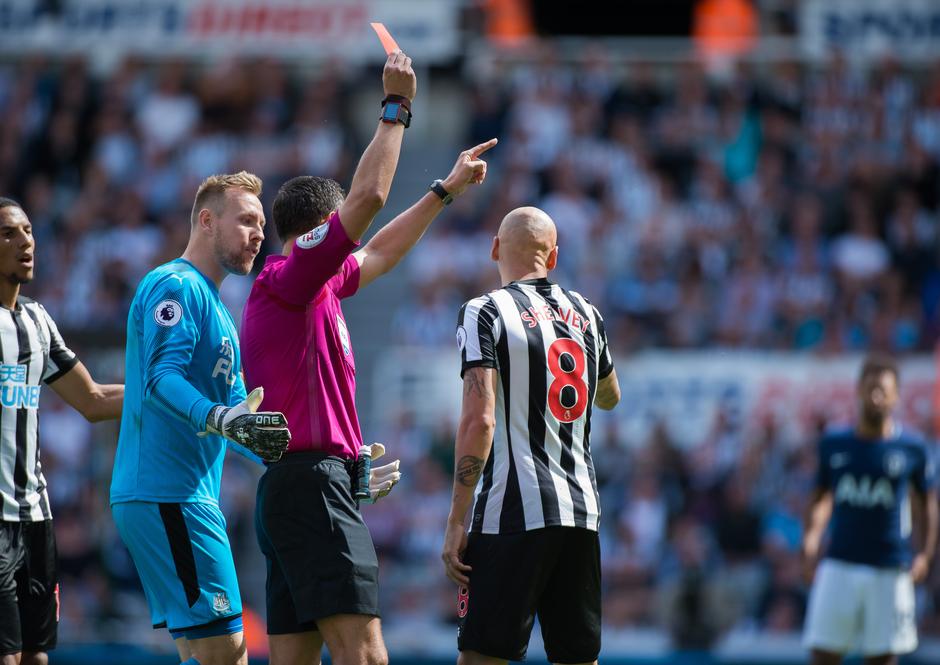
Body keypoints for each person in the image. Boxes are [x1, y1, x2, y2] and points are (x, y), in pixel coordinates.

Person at [240, 51, 495, 665]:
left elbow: (380, 253)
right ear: (320, 231)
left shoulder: (310, 289)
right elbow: (372, 196)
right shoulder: (289, 277)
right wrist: (396, 108)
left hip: (294, 487)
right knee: (365, 654)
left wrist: (443, 191)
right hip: (312, 484)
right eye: (337, 229)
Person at [109, 171, 291, 665]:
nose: (259, 233)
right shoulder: (175, 284)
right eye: (247, 220)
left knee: (205, 655)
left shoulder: (217, 308)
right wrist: (217, 416)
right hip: (169, 494)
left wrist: (337, 465)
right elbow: (160, 377)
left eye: (261, 223)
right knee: (228, 654)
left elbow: (243, 424)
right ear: (207, 221)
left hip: (180, 496)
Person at [442, 206, 621, 665]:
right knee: (577, 658)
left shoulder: (483, 311)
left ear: (495, 248)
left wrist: (456, 520)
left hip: (513, 510)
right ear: (554, 257)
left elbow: (479, 421)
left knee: (483, 655)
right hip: (580, 512)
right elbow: (610, 395)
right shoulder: (588, 313)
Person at [0, 198, 124, 665]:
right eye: (8, 233)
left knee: (36, 656)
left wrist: (178, 400)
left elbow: (92, 401)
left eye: (28, 231)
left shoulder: (37, 320)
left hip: (35, 518)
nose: (24, 242)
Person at [802, 355, 938, 665]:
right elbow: (821, 497)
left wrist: (924, 554)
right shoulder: (835, 444)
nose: (876, 396)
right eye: (870, 388)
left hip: (889, 567)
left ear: (896, 396)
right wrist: (810, 542)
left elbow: (925, 504)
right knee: (823, 652)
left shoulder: (912, 449)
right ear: (858, 391)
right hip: (840, 562)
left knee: (882, 658)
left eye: (883, 390)